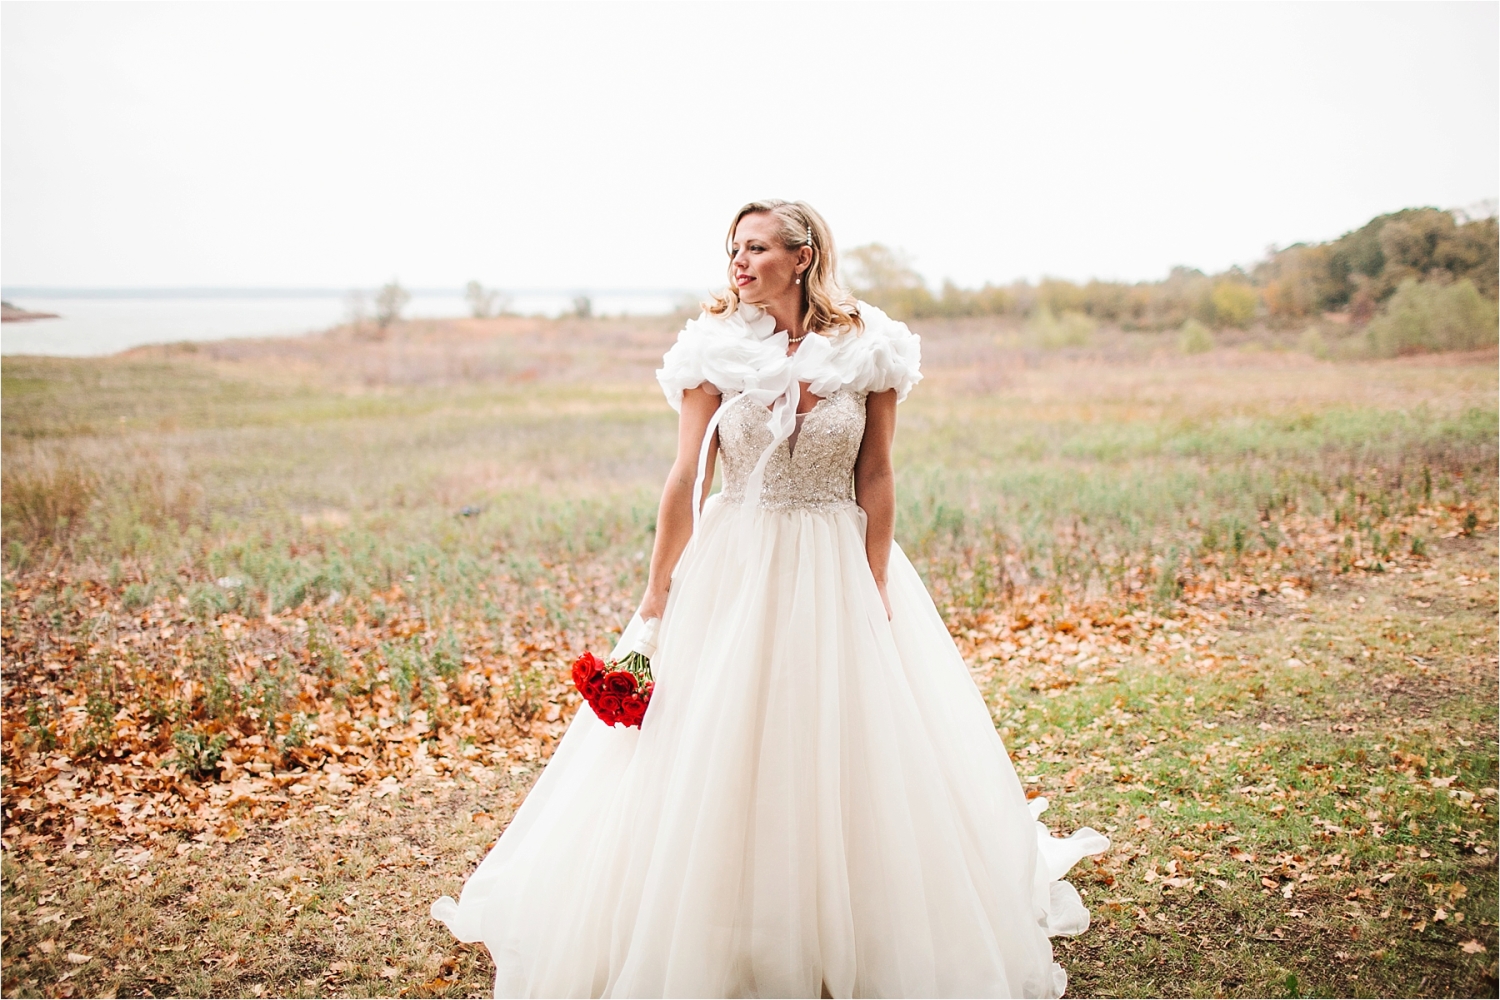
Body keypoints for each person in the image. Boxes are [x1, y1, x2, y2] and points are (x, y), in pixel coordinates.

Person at [433, 199, 1108, 998]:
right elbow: (687, 478)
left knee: (839, 734)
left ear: (803, 256)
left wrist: (875, 576)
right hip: (735, 563)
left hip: (833, 557)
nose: (739, 263)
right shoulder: (712, 348)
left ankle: (846, 920)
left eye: (756, 248)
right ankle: (708, 922)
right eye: (733, 249)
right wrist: (656, 595)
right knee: (715, 735)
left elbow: (879, 475)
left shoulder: (869, 347)